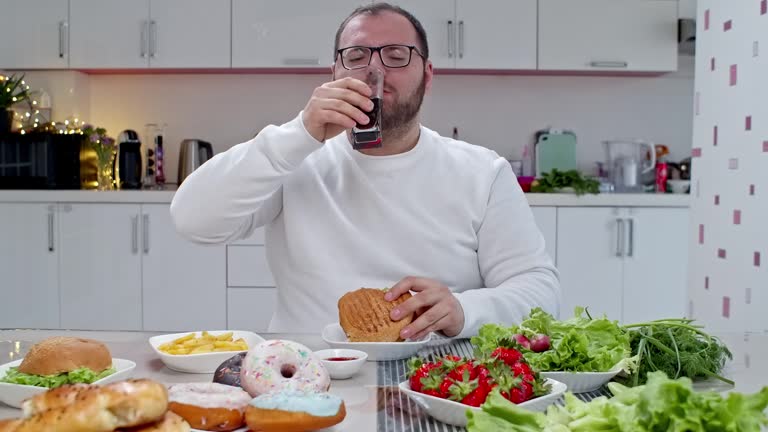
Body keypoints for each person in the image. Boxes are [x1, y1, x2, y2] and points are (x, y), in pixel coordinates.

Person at [170, 3, 560, 339]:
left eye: (395, 55)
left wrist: (464, 310)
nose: (374, 70)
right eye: (356, 56)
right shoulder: (293, 157)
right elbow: (193, 220)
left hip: (437, 374)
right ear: (335, 73)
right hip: (309, 370)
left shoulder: (482, 172)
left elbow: (540, 292)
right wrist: (300, 133)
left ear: (427, 74)